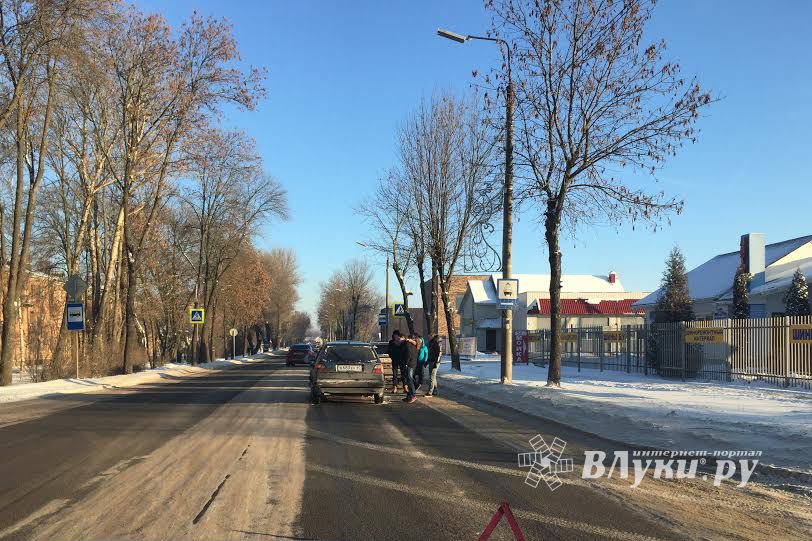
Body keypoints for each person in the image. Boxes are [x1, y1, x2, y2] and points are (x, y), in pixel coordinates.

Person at [402, 334, 419, 403]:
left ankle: (413, 395)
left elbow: (408, 354)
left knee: (409, 379)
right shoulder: (415, 345)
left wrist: (406, 363)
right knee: (409, 379)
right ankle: (409, 396)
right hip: (413, 363)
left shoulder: (408, 345)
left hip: (410, 364)